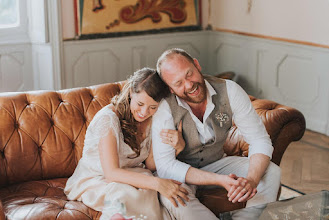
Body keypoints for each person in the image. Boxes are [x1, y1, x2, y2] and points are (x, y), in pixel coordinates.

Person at [151, 48, 281, 219]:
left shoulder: (230, 90)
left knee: (271, 171)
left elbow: (259, 140)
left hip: (217, 163)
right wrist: (218, 180)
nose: (189, 85)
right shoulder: (164, 106)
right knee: (172, 198)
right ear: (171, 89)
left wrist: (251, 180)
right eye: (178, 83)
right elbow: (166, 166)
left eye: (189, 74)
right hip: (181, 171)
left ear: (197, 65)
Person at [64, 68, 189, 220]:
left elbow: (150, 163)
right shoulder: (108, 119)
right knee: (124, 194)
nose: (144, 112)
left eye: (152, 107)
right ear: (131, 93)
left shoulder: (154, 118)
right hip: (98, 178)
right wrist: (157, 183)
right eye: (140, 103)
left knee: (149, 192)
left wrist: (178, 147)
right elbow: (111, 173)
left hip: (134, 174)